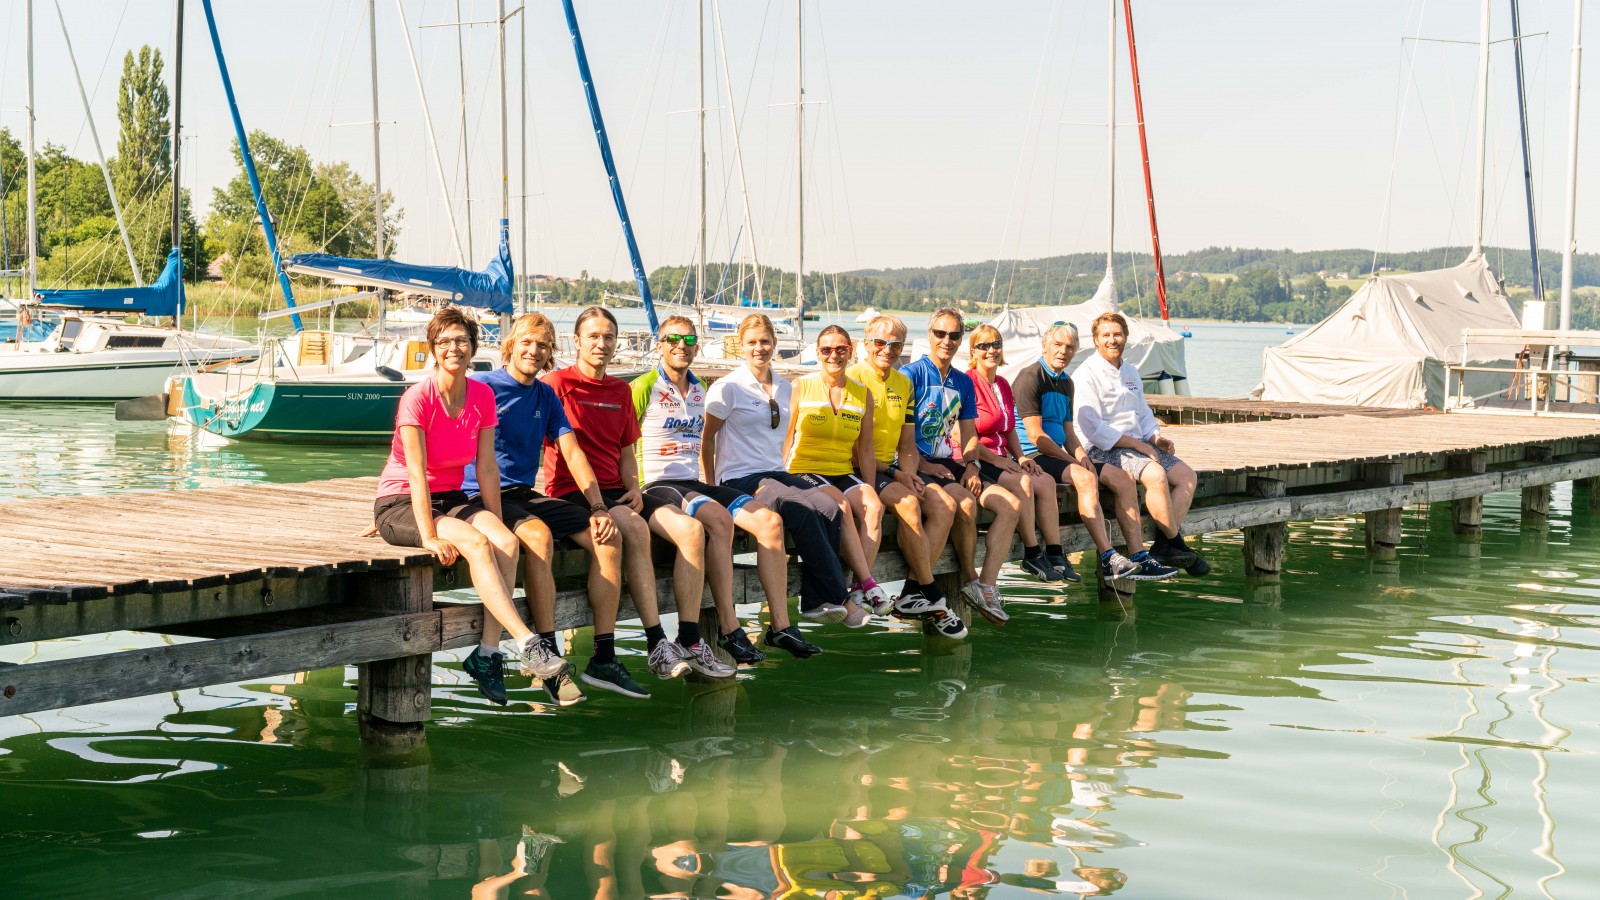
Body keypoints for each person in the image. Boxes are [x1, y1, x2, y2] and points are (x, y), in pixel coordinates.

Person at [543, 307, 729, 699]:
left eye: (609, 336)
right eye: (593, 336)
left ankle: (663, 643)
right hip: (571, 491)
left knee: (658, 527)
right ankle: (654, 641)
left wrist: (632, 485)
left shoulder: (619, 391)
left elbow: (628, 451)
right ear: (576, 340)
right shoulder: (555, 385)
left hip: (616, 492)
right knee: (632, 528)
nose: (602, 343)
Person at [371, 307, 544, 706]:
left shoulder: (481, 394)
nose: (454, 348)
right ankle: (526, 641)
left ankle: (486, 654)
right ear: (433, 349)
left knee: (505, 543)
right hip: (400, 500)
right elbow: (415, 474)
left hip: (451, 498)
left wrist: (497, 524)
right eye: (445, 341)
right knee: (477, 545)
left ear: (473, 348)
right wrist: (428, 536)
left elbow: (485, 467)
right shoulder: (418, 397)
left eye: (462, 341)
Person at [461, 312, 628, 707]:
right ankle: (547, 654)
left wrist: (599, 506)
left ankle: (603, 655)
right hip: (480, 493)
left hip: (522, 491)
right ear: (511, 345)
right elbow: (438, 435)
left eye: (543, 345)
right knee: (536, 536)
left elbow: (572, 451)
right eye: (527, 343)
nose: (534, 351)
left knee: (607, 538)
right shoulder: (483, 386)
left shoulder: (545, 396)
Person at [632, 315, 818, 661]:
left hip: (693, 482)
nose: (681, 347)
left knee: (769, 523)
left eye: (688, 341)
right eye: (673, 340)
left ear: (697, 347)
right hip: (656, 483)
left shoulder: (700, 388)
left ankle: (780, 626)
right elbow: (621, 441)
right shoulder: (644, 386)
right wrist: (627, 487)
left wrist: (709, 481)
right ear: (659, 345)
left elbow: (706, 442)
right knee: (719, 520)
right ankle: (730, 628)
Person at [701, 314, 850, 654]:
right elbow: (706, 441)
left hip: (774, 471)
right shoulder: (727, 388)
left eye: (765, 341)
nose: (759, 348)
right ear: (741, 344)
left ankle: (814, 600)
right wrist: (712, 489)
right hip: (739, 478)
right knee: (797, 508)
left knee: (829, 506)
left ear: (775, 343)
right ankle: (836, 597)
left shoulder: (785, 386)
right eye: (752, 342)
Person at [1012, 323, 1177, 582]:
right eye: (1057, 345)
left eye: (1069, 347)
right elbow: (1037, 436)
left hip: (1058, 456)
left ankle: (1138, 556)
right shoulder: (1030, 378)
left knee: (1123, 477)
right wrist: (1073, 462)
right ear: (1044, 345)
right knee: (1086, 478)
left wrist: (1081, 457)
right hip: (1033, 455)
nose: (1063, 351)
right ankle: (1108, 556)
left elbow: (1069, 433)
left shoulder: (1065, 382)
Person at [903, 308, 1021, 626]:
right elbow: (899, 435)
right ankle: (967, 578)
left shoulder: (961, 383)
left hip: (950, 462)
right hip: (916, 462)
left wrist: (971, 465)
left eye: (954, 335)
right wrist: (923, 463)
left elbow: (968, 436)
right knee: (965, 503)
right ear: (929, 335)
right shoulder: (911, 376)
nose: (947, 340)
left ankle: (986, 584)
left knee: (1010, 505)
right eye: (940, 334)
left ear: (960, 339)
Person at [1072, 310, 1210, 576]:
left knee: (1187, 477)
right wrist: (1138, 446)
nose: (1113, 340)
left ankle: (1164, 544)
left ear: (1125, 337)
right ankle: (1175, 543)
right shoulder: (1086, 374)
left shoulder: (1131, 371)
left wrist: (1154, 437)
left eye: (1118, 334)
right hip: (1105, 448)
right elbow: (1092, 427)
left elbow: (1143, 413)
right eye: (1106, 335)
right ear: (1096, 339)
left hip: (1137, 443)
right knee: (1156, 474)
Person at [781, 325, 898, 629]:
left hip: (842, 470)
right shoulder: (800, 386)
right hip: (803, 469)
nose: (834, 355)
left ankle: (857, 591)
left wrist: (869, 488)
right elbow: (785, 438)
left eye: (840, 349)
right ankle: (869, 584)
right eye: (826, 349)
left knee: (873, 506)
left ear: (851, 350)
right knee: (841, 506)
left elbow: (866, 448)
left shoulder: (862, 394)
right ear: (817, 352)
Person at [846, 314, 961, 623]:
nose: (888, 349)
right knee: (910, 504)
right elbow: (859, 450)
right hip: (856, 467)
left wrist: (909, 472)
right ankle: (930, 589)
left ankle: (911, 591)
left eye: (896, 344)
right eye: (881, 342)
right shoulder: (853, 378)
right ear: (866, 343)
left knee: (945, 506)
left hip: (892, 468)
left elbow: (907, 443)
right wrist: (899, 474)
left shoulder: (903, 382)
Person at [965, 324, 1071, 585]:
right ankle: (1032, 552)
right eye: (984, 346)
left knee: (1044, 480)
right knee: (1023, 481)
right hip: (981, 457)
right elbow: (962, 435)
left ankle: (1055, 553)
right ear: (973, 351)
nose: (991, 350)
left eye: (996, 345)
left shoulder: (1002, 384)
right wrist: (996, 460)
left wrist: (1021, 457)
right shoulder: (968, 383)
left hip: (1003, 457)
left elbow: (1010, 428)